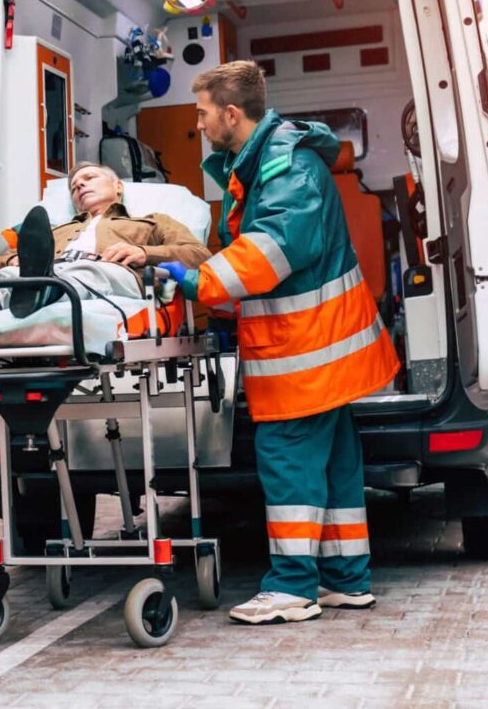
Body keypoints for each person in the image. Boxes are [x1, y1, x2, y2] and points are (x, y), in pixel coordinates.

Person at [156, 61, 399, 625]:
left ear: (232, 114)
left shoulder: (285, 168)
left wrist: (196, 280)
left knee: (288, 460)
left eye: (202, 114)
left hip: (304, 349)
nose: (198, 125)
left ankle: (292, 587)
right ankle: (345, 579)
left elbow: (271, 250)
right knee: (335, 462)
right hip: (322, 345)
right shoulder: (271, 160)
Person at [0, 162, 211, 319]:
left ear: (118, 186)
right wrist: (13, 259)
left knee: (88, 271)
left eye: (89, 178)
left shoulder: (152, 220)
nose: (80, 185)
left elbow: (198, 254)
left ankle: (38, 289)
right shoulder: (54, 230)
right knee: (7, 273)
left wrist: (142, 252)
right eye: (74, 186)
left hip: (113, 271)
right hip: (49, 269)